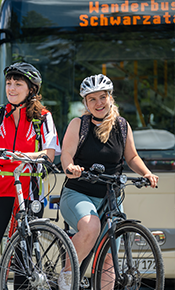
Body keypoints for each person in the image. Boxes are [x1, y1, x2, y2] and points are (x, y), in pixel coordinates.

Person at [59, 74, 159, 290]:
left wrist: (146, 173)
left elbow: (131, 157)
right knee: (91, 226)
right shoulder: (79, 124)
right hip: (78, 193)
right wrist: (70, 168)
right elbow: (66, 153)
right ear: (85, 103)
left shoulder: (122, 126)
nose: (98, 103)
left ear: (110, 98)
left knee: (109, 255)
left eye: (102, 97)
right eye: (92, 99)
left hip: (110, 196)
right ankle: (67, 275)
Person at [0, 62, 61, 290]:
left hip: (28, 192)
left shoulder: (43, 117)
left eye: (17, 84)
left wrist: (24, 155)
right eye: (9, 83)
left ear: (31, 89)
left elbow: (49, 154)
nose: (11, 88)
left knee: (24, 258)